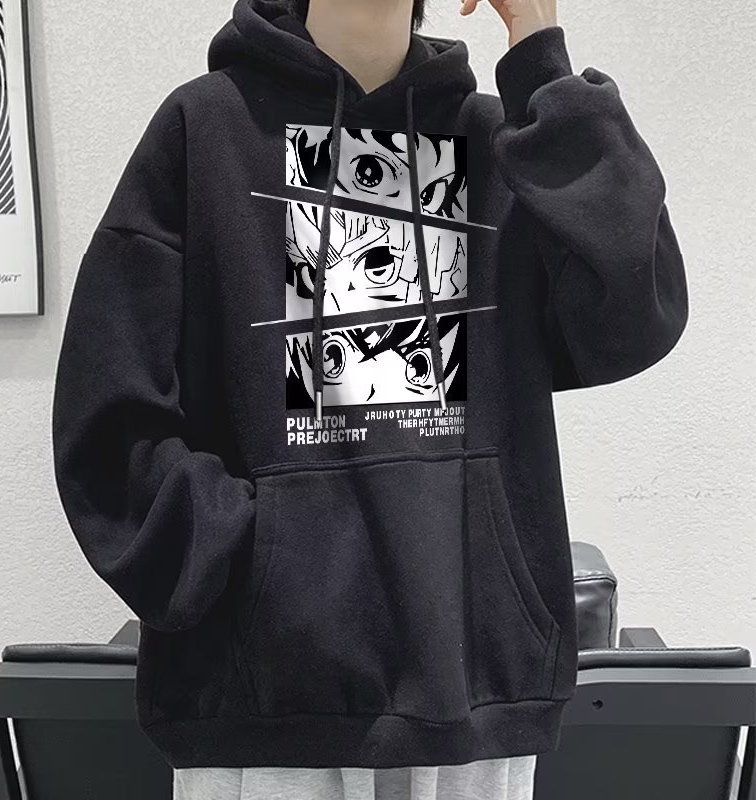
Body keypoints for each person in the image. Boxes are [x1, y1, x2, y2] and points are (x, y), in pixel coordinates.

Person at [51, 0, 689, 797]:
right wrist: (249, 570)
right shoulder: (204, 128)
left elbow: (637, 312)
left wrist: (538, 55)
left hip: (472, 703)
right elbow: (107, 419)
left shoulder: (500, 143)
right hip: (264, 712)